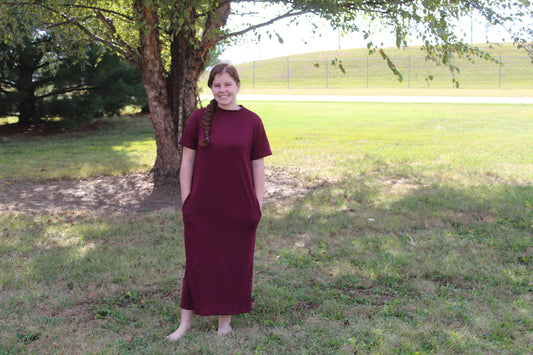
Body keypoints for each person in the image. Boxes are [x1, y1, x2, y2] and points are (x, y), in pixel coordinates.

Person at [167, 62, 272, 341]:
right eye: (217, 85)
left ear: (238, 86)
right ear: (211, 88)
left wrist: (257, 203)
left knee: (233, 262)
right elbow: (187, 162)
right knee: (197, 263)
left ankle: (224, 321)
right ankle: (184, 323)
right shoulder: (198, 118)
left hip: (239, 207)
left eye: (227, 84)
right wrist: (186, 200)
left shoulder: (252, 121)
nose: (222, 90)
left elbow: (258, 166)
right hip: (202, 207)